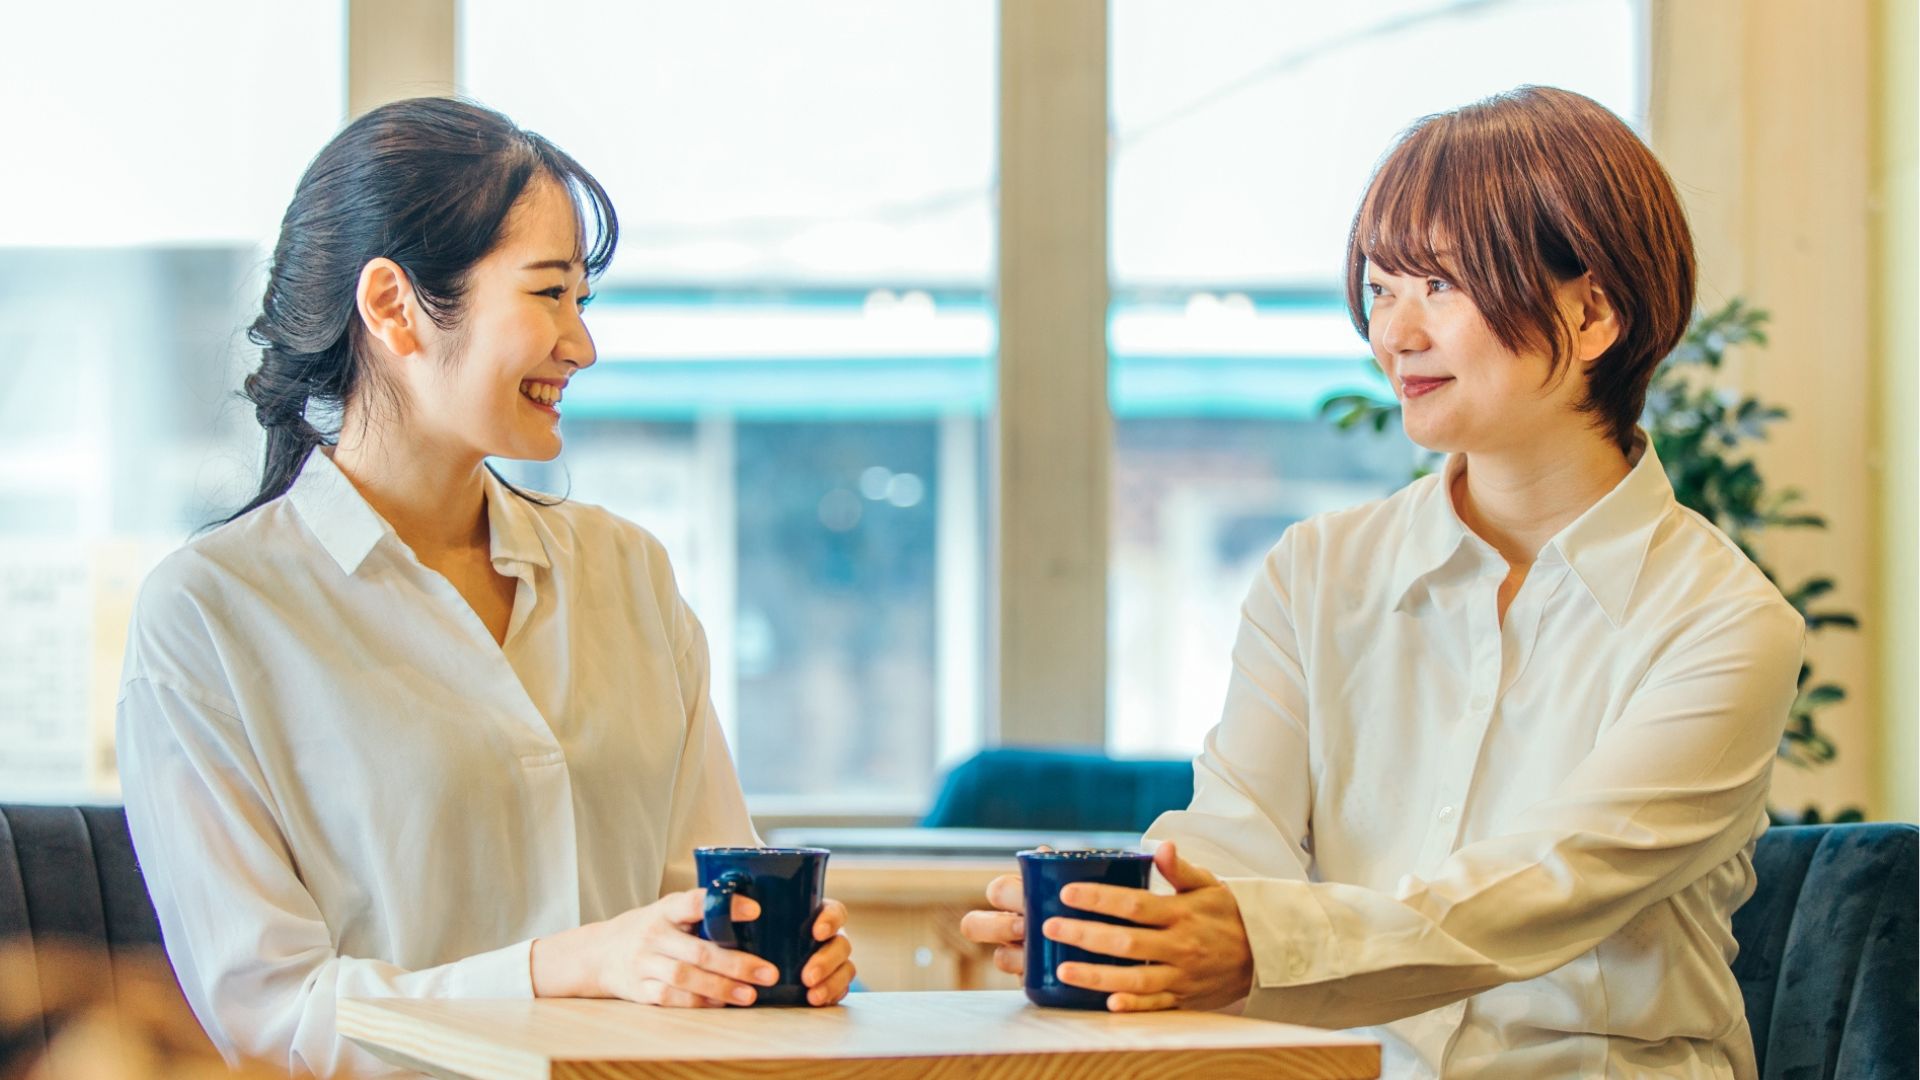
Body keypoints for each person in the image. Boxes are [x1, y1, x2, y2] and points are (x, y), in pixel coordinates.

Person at [961, 85, 1803, 1077]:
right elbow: (1235, 836)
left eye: (1441, 284)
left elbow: (1543, 888)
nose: (1395, 332)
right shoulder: (1315, 572)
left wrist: (1254, 942)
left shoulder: (1725, 624)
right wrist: (1131, 923)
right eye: (1382, 284)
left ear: (1593, 311)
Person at [116, 98, 855, 1079]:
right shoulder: (209, 616)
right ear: (392, 307)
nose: (580, 344)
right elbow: (273, 1021)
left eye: (582, 303)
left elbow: (701, 907)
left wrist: (765, 965)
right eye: (548, 294)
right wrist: (561, 972)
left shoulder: (627, 572)